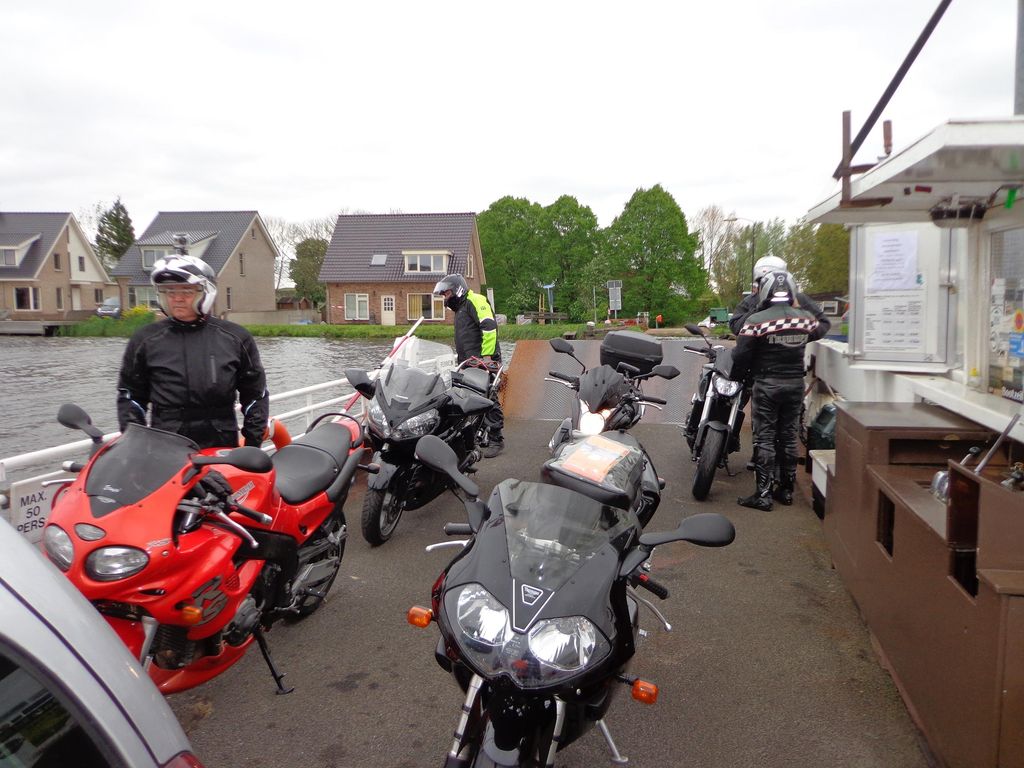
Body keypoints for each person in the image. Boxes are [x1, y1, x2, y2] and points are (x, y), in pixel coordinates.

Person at [117, 237, 269, 449]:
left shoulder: (236, 338)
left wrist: (252, 446)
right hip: (166, 448)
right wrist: (136, 445)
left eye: (186, 291)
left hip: (221, 446)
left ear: (205, 291)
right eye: (170, 291)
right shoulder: (145, 340)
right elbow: (131, 397)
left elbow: (255, 396)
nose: (177, 298)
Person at [731, 271, 825, 511]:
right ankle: (786, 490)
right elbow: (822, 325)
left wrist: (739, 375)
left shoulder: (756, 320)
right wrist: (800, 302)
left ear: (764, 291)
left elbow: (740, 355)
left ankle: (763, 495)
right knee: (789, 436)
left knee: (765, 437)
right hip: (795, 384)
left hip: (766, 384)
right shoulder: (805, 319)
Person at [433, 274, 504, 457]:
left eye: (446, 293)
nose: (445, 298)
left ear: (457, 289)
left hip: (484, 360)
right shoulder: (461, 309)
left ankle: (496, 439)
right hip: (468, 362)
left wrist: (487, 357)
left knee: (488, 398)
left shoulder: (475, 300)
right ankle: (475, 436)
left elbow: (489, 328)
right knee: (468, 398)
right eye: (443, 295)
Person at [728, 255, 831, 336]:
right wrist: (758, 309)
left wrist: (799, 337)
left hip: (792, 353)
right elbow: (735, 327)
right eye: (762, 281)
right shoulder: (750, 300)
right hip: (760, 354)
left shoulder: (798, 299)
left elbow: (823, 323)